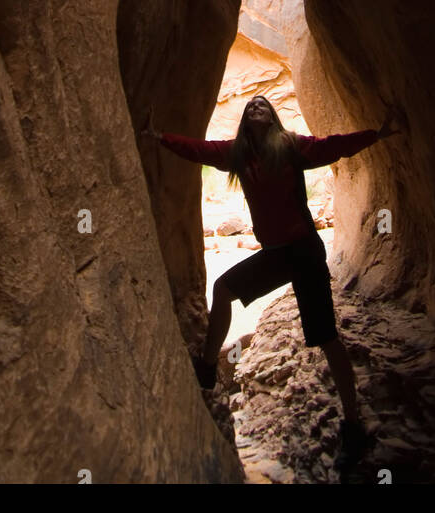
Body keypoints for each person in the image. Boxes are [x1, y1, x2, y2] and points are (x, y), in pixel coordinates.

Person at [142, 95, 400, 468]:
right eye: (251, 107)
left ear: (274, 117)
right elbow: (199, 149)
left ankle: (353, 426)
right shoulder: (237, 154)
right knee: (224, 289)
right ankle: (208, 367)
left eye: (263, 105)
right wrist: (160, 137)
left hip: (305, 252)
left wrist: (376, 135)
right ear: (246, 121)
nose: (256, 108)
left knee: (326, 338)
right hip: (277, 254)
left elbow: (334, 147)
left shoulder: (291, 146)